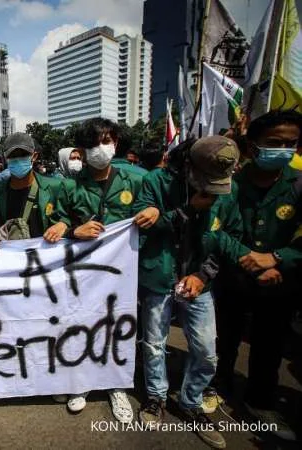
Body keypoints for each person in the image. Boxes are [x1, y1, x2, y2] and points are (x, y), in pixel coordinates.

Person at [134, 136, 244, 449]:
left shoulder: (228, 190)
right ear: (188, 166)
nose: (213, 189)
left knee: (207, 350)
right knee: (154, 344)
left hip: (199, 284)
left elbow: (226, 237)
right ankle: (155, 397)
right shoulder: (156, 181)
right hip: (158, 278)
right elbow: (140, 227)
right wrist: (185, 210)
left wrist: (202, 275)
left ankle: (191, 401)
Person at [210, 110, 301, 441]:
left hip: (278, 281)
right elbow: (215, 231)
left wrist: (278, 259)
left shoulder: (299, 183)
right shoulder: (228, 183)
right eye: (275, 143)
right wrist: (247, 256)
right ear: (253, 145)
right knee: (224, 338)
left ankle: (260, 402)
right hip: (233, 277)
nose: (284, 149)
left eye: (291, 143)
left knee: (269, 345)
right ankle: (217, 386)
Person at [47, 118, 140, 422]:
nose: (103, 147)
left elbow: (150, 225)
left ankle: (116, 386)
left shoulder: (134, 182)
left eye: (109, 140)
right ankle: (83, 382)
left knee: (118, 326)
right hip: (83, 275)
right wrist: (73, 229)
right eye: (96, 142)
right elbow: (57, 225)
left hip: (121, 275)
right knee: (83, 325)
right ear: (83, 149)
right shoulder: (68, 186)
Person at [0, 132, 66, 243]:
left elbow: (70, 216)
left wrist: (64, 224)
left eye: (23, 154)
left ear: (34, 156)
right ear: (5, 158)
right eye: (12, 156)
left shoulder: (54, 188)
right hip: (11, 257)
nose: (18, 159)